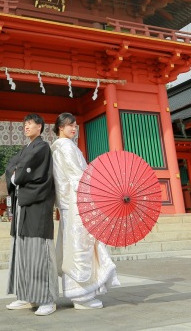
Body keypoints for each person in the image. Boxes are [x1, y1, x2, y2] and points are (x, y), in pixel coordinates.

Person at [51, 112, 120, 309]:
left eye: (75, 125)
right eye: (69, 125)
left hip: (72, 201)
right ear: (60, 128)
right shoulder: (65, 147)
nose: (74, 128)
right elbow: (78, 175)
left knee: (75, 245)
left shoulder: (62, 147)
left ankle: (81, 292)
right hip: (77, 201)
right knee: (80, 246)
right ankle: (82, 295)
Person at [5, 113, 58, 316]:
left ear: (40, 127)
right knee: (23, 251)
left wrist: (18, 177)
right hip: (24, 206)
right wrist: (16, 176)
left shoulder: (42, 148)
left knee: (39, 253)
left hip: (37, 204)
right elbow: (11, 166)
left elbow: (26, 172)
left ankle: (47, 299)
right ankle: (26, 295)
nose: (26, 127)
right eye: (25, 124)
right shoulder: (26, 148)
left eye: (31, 124)